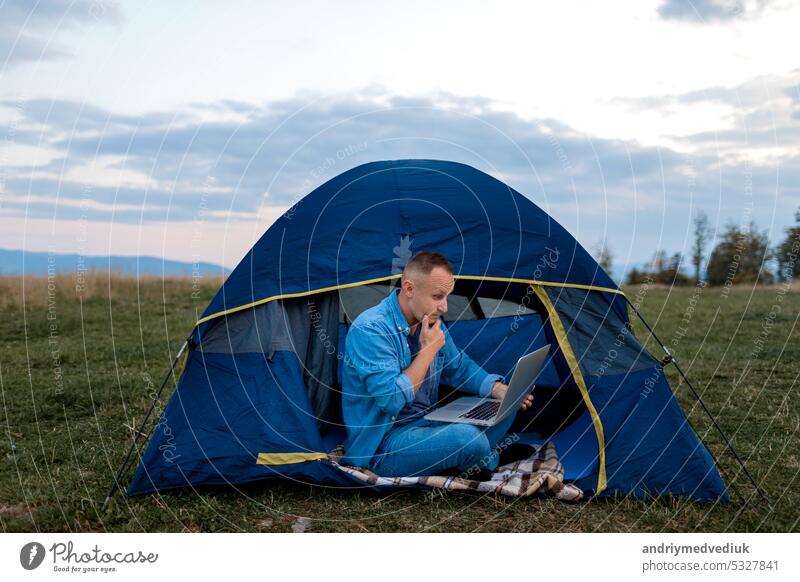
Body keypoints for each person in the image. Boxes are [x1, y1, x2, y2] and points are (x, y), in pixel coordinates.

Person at [340, 251, 534, 477]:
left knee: (504, 405)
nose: (444, 307)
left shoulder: (431, 320)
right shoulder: (371, 329)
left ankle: (470, 455)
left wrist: (498, 389)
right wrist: (427, 352)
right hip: (384, 446)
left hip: (427, 423)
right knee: (467, 439)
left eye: (447, 296)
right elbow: (391, 400)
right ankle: (487, 459)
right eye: (437, 296)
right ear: (409, 289)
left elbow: (458, 368)